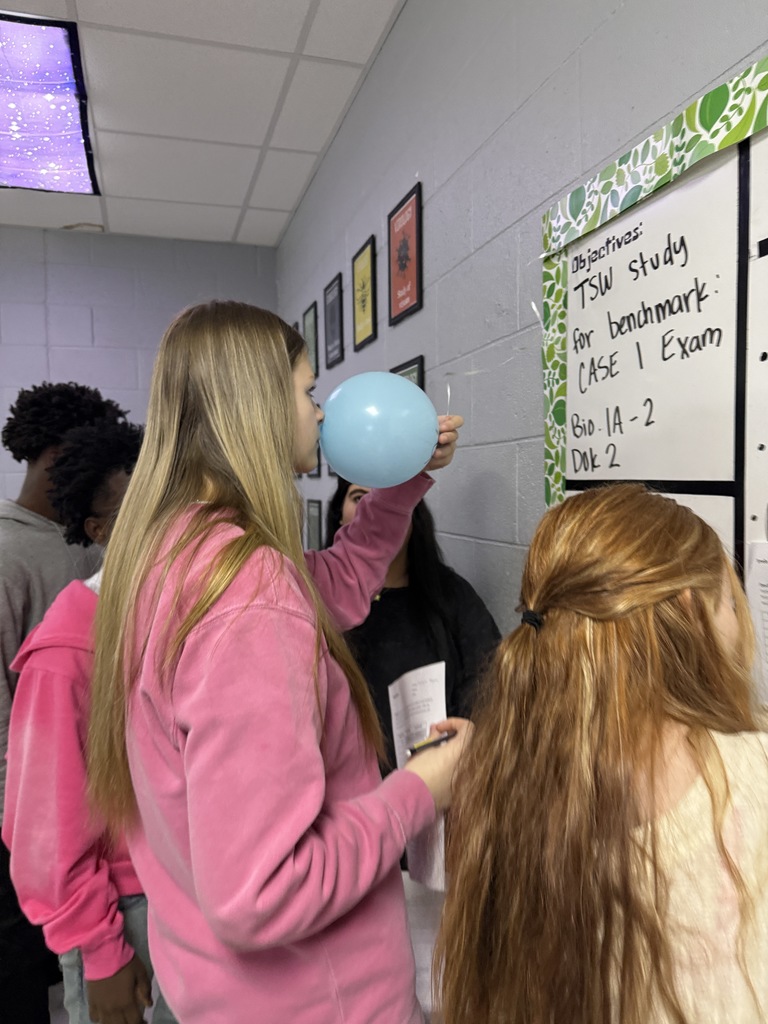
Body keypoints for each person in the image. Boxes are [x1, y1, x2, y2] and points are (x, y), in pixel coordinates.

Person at [86, 301, 470, 1024]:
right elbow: (264, 892)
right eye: (307, 393)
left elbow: (342, 585)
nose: (320, 415)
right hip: (315, 1001)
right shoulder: (246, 595)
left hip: (227, 990)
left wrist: (401, 480)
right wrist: (425, 785)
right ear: (256, 407)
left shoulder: (182, 552)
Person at [434, 483, 768, 1024]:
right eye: (729, 599)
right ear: (690, 612)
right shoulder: (755, 775)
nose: (738, 615)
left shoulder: (496, 784)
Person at [3, 419, 178, 1024]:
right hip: (125, 909)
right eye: (138, 509)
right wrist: (101, 951)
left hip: (190, 894)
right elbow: (43, 829)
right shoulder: (69, 646)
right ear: (100, 530)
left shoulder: (176, 615)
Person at [0, 382, 126, 1024]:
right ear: (55, 455)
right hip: (39, 831)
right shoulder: (8, 556)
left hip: (102, 833)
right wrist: (33, 845)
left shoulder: (92, 543)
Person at [326, 479, 500, 771]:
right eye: (358, 498)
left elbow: (491, 693)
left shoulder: (453, 599)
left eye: (383, 500)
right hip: (351, 800)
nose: (372, 511)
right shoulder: (320, 603)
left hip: (438, 789)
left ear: (408, 514)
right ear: (339, 515)